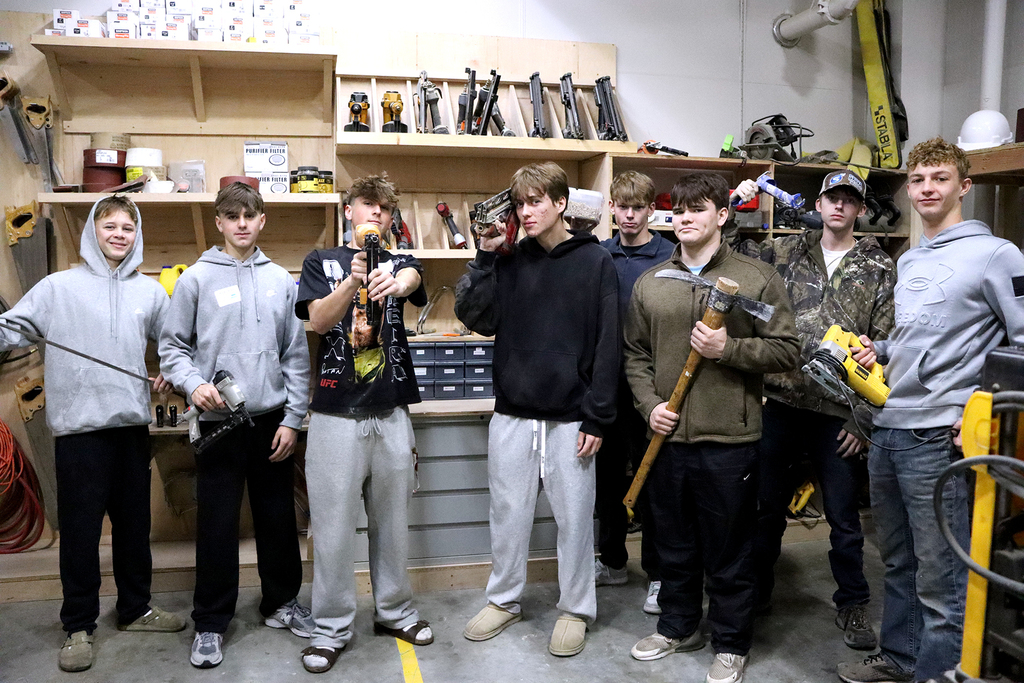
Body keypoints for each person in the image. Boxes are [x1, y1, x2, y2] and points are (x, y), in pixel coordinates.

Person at [839, 139, 1024, 683]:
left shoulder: (999, 255)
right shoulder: (912, 257)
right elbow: (914, 340)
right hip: (890, 426)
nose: (926, 189)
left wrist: (976, 410)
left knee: (941, 573)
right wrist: (882, 350)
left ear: (964, 186)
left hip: (940, 434)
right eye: (918, 179)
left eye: (939, 178)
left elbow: (1021, 343)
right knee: (897, 560)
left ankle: (937, 674)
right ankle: (900, 660)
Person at [624, 173, 799, 683]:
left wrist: (730, 350)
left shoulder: (756, 279)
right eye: (677, 210)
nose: (684, 218)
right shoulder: (652, 283)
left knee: (730, 549)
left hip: (730, 441)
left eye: (696, 209)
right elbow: (635, 355)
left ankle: (730, 641)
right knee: (674, 545)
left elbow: (788, 350)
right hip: (667, 436)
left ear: (722, 215)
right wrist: (648, 404)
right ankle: (679, 627)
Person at [0, 195, 185, 672]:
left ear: (136, 234)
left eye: (128, 227)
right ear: (93, 232)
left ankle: (136, 609)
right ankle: (77, 625)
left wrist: (167, 369)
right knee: (81, 535)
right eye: (110, 227)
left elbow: (173, 343)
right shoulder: (57, 288)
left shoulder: (148, 292)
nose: (119, 234)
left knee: (132, 530)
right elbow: (11, 329)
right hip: (79, 435)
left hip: (129, 429)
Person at [456, 161, 620, 657]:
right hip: (513, 412)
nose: (526, 212)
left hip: (573, 416)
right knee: (507, 513)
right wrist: (484, 257)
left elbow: (609, 342)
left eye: (536, 202)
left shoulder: (595, 262)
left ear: (560, 204)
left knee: (574, 518)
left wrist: (598, 415)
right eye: (520, 203)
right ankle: (504, 600)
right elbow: (476, 318)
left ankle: (575, 609)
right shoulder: (508, 261)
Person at [733, 171, 895, 650]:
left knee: (845, 518)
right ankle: (756, 595)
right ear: (819, 204)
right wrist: (735, 203)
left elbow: (886, 349)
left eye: (850, 200)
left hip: (837, 412)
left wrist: (863, 420)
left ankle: (853, 605)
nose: (839, 207)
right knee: (765, 510)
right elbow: (723, 262)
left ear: (861, 209)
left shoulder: (880, 266)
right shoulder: (784, 251)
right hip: (780, 402)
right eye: (832, 198)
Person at [159, 182, 311, 669]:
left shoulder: (280, 282)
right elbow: (173, 349)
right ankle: (210, 623)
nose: (242, 224)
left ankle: (280, 603)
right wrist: (192, 383)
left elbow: (295, 355)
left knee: (277, 519)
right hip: (217, 422)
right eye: (232, 216)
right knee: (218, 524)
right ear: (219, 222)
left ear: (262, 220)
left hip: (269, 421)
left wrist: (292, 419)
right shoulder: (196, 280)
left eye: (250, 215)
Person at [294, 174, 433, 674]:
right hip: (334, 417)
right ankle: (330, 627)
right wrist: (353, 280)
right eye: (367, 205)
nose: (375, 214)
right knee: (331, 531)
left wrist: (398, 279)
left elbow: (416, 279)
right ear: (349, 209)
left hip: (392, 413)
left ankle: (395, 611)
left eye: (384, 209)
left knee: (393, 525)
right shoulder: (321, 262)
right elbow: (317, 321)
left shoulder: (398, 261)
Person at [594, 171, 674, 614]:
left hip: (653, 388)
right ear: (611, 208)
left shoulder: (670, 258)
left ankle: (659, 575)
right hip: (608, 387)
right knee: (607, 479)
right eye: (622, 206)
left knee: (653, 482)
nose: (628, 215)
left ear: (650, 211)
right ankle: (612, 561)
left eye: (637, 208)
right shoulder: (601, 256)